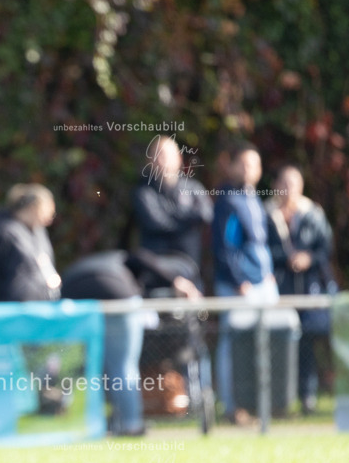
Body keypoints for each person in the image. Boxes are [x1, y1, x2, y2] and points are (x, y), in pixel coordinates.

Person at [60, 249, 202, 436]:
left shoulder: (98, 263)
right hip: (117, 298)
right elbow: (141, 256)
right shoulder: (122, 260)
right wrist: (174, 281)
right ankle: (131, 424)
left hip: (84, 303)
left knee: (104, 367)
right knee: (122, 366)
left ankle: (115, 421)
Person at [211, 142, 278, 423]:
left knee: (264, 342)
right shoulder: (228, 200)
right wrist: (240, 280)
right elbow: (226, 246)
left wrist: (268, 272)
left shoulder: (253, 198)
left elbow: (258, 245)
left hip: (262, 282)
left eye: (255, 165)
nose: (250, 170)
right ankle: (231, 405)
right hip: (240, 287)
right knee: (232, 344)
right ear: (234, 166)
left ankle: (261, 403)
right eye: (245, 164)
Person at [266, 166, 336, 413]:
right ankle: (280, 401)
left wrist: (308, 258)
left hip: (309, 289)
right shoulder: (268, 214)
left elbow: (325, 249)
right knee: (279, 345)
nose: (289, 190)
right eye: (284, 183)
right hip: (280, 290)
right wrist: (286, 259)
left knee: (307, 344)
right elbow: (262, 250)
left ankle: (308, 397)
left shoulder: (313, 214)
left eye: (293, 184)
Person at [132, 135, 213, 274]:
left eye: (166, 155)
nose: (162, 160)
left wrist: (171, 214)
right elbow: (156, 223)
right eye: (157, 155)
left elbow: (206, 214)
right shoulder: (143, 191)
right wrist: (189, 218)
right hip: (155, 272)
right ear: (149, 160)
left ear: (179, 158)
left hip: (190, 269)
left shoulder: (193, 187)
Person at [0, 184, 61, 301]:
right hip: (14, 308)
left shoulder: (38, 231)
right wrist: (7, 294)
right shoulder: (3, 231)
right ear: (34, 208)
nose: (49, 219)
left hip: (42, 303)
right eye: (48, 211)